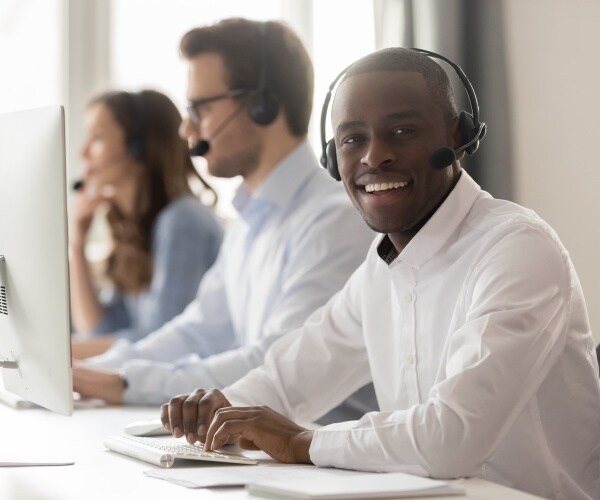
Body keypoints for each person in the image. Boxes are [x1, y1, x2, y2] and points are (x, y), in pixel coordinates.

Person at [160, 47, 600, 500]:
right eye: (352, 139)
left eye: (403, 131)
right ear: (333, 159)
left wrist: (301, 443)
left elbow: (453, 436)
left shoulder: (517, 249)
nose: (375, 156)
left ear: (458, 136)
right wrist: (224, 407)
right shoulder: (382, 265)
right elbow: (291, 375)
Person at [72, 19, 376, 417]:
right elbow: (196, 330)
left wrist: (130, 384)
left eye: (201, 108)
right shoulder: (249, 223)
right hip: (268, 452)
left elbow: (273, 365)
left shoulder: (332, 221)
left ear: (261, 106)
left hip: (328, 457)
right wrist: (92, 373)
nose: (186, 128)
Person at [70, 89, 223, 359]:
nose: (83, 153)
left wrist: (66, 352)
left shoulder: (182, 221)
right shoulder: (135, 230)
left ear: (138, 147)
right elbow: (101, 330)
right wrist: (77, 247)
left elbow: (161, 339)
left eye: (96, 138)